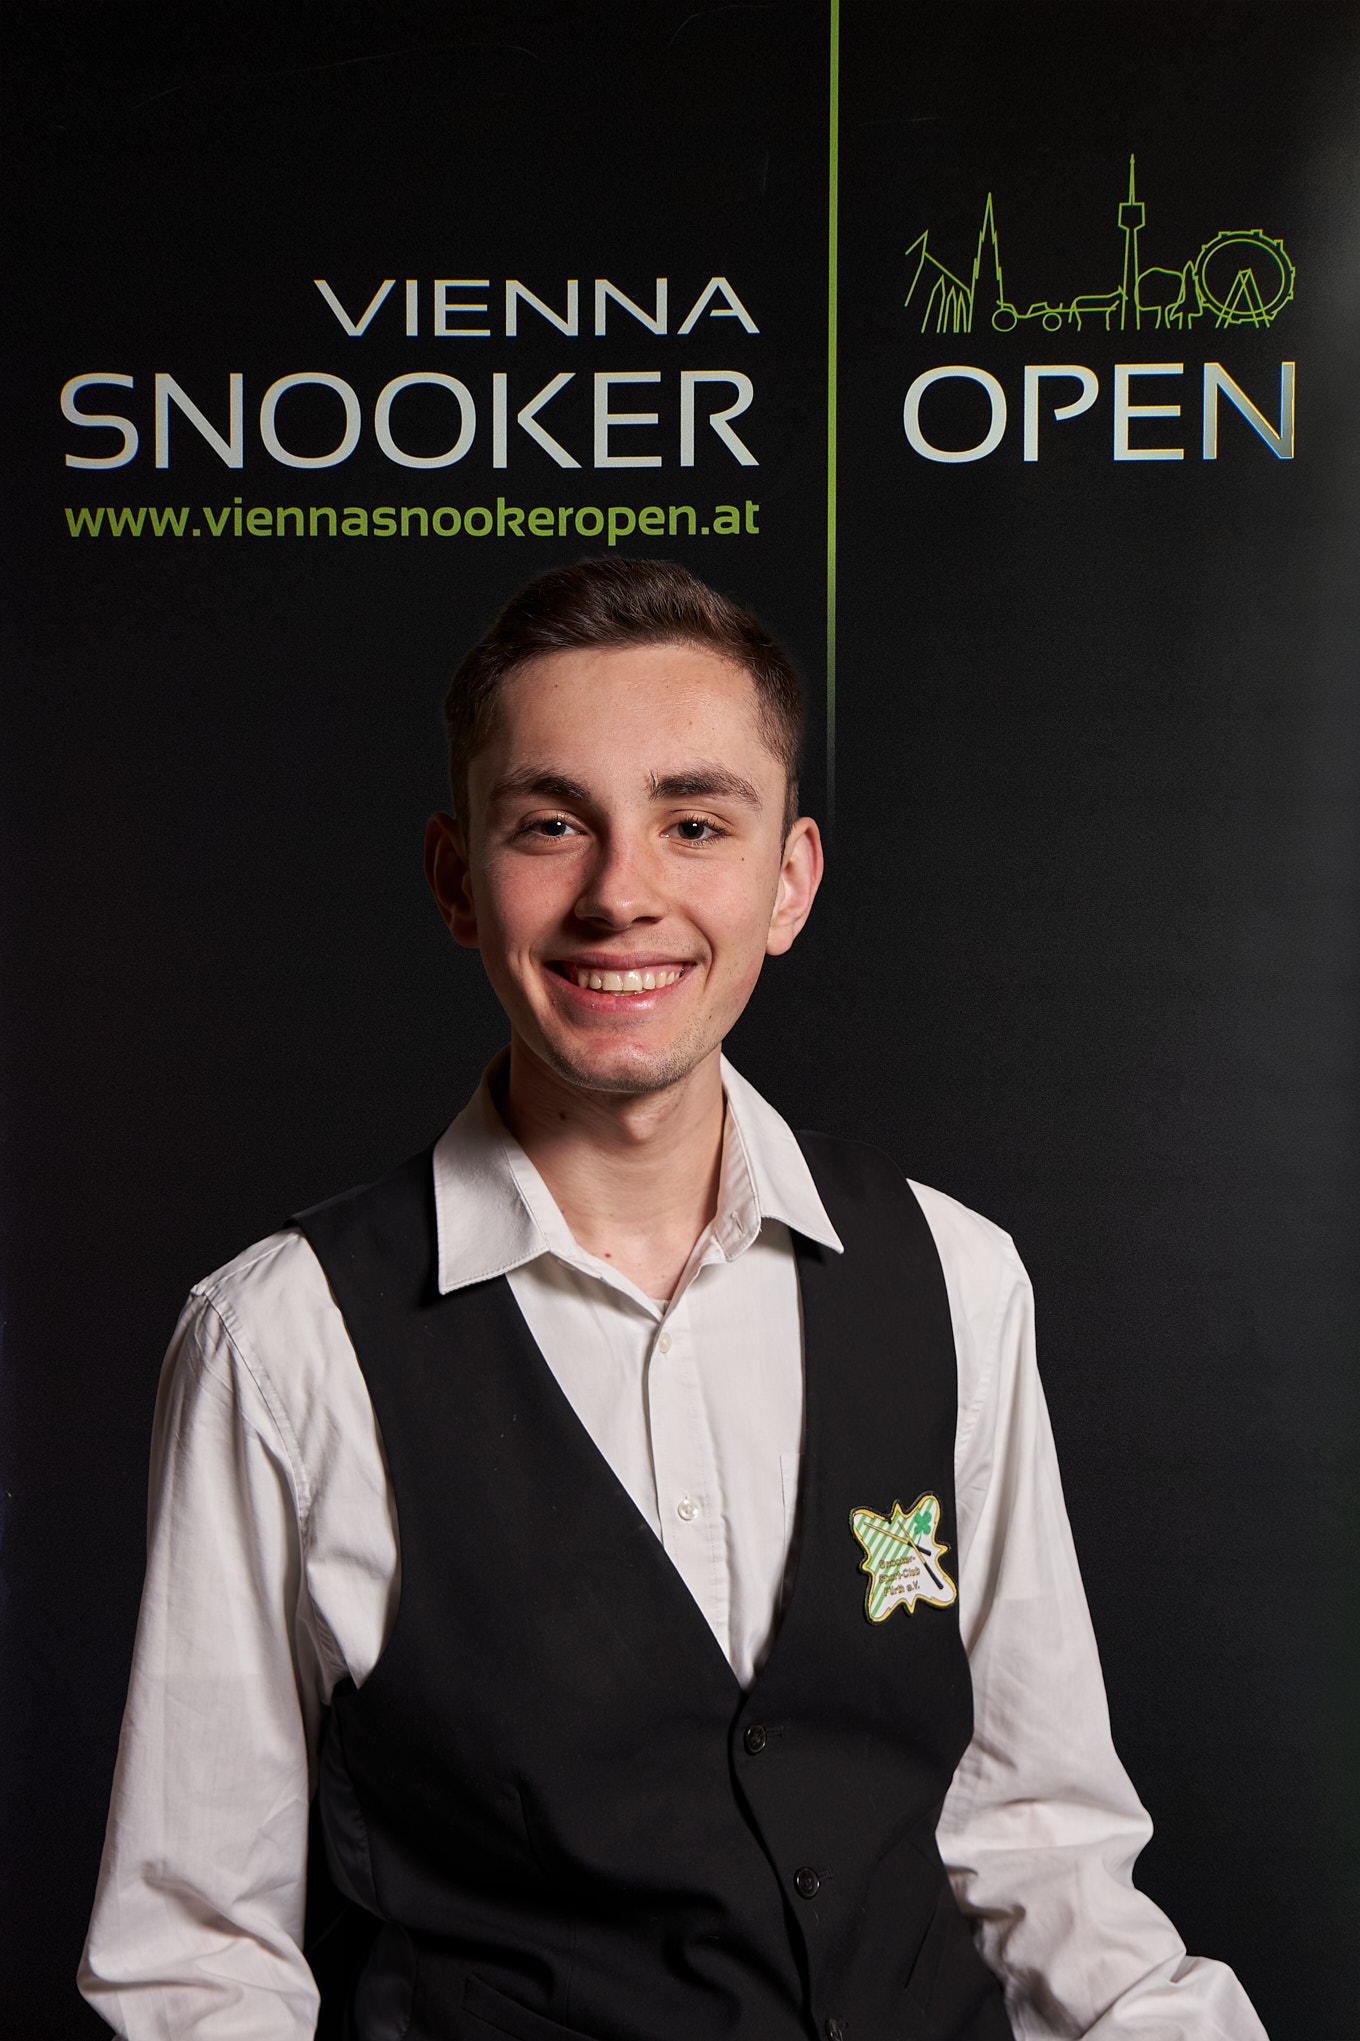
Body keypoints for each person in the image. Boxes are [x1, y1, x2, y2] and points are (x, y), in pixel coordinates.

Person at [80, 559, 1266, 2041]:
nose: (621, 893)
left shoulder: (958, 1277)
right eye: (550, 824)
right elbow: (197, 1963)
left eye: (694, 822)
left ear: (790, 881)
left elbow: (1045, 1856)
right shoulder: (280, 1342)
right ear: (457, 880)